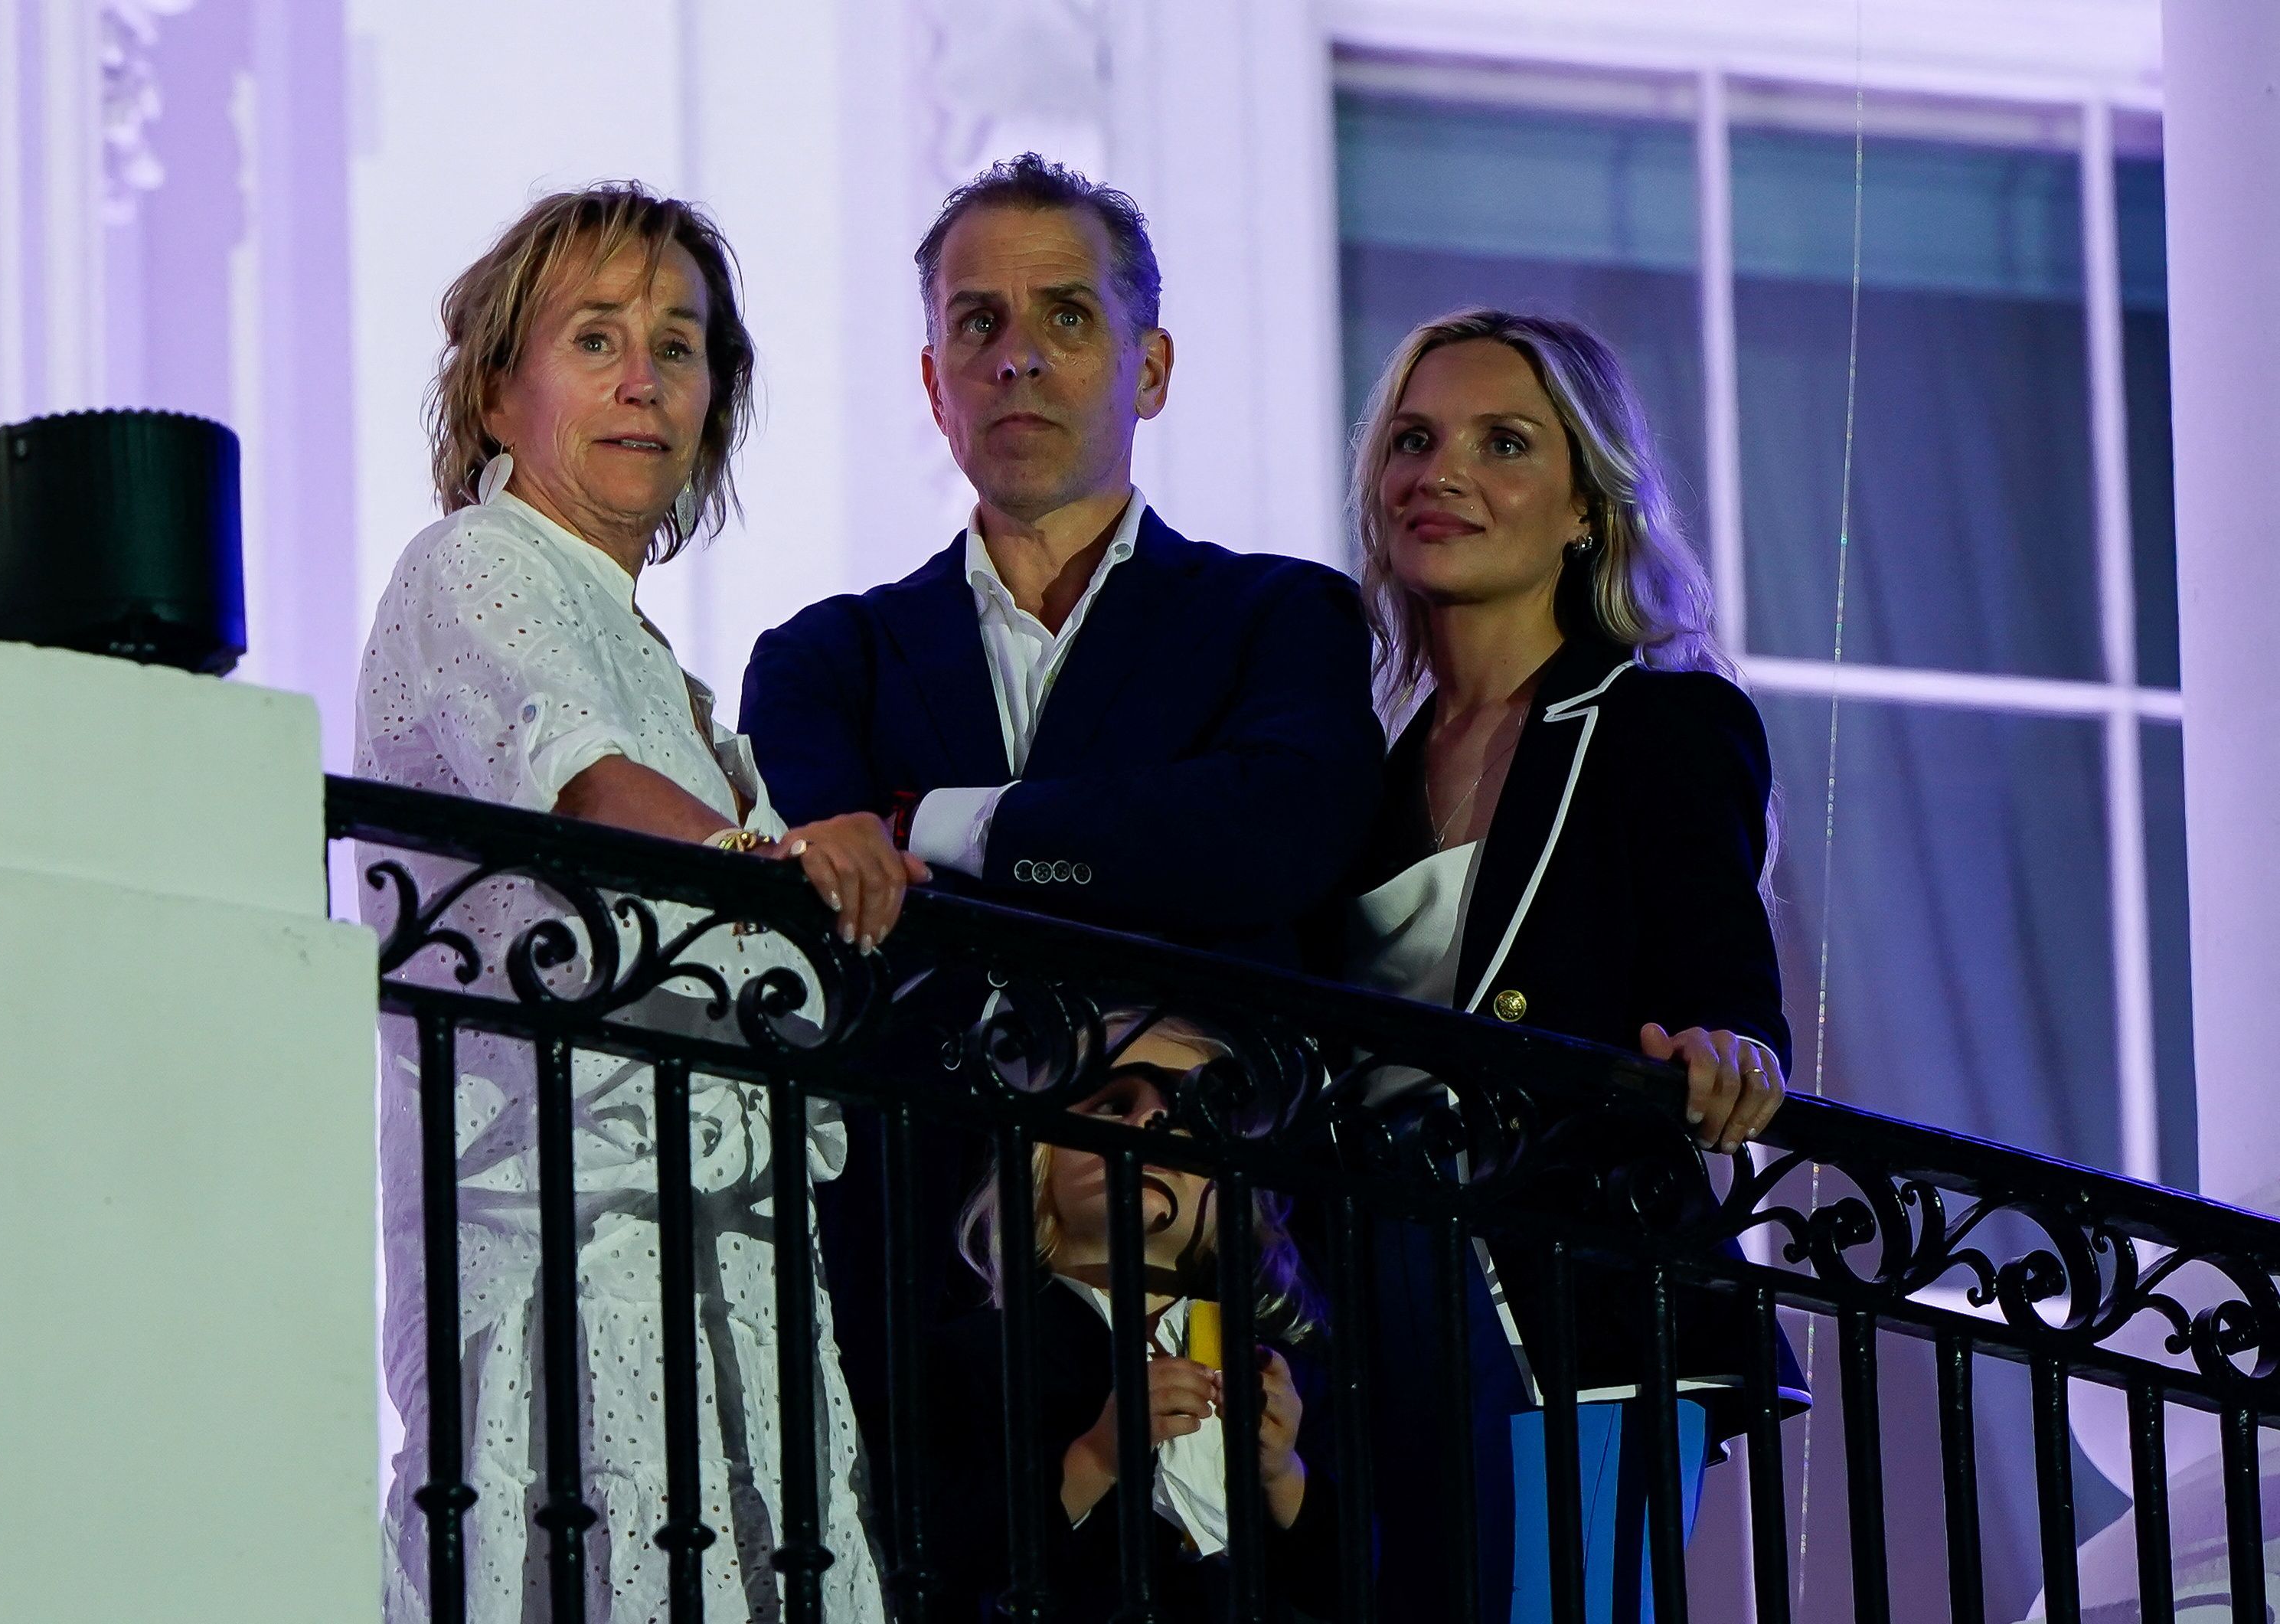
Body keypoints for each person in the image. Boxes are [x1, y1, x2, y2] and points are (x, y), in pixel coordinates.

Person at [354, 184, 921, 1624]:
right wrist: (788, 866)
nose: (643, 381)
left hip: (706, 1255)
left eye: (678, 348)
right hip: (570, 1248)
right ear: (495, 392)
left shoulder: (659, 658)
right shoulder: (474, 564)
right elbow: (591, 797)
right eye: (595, 339)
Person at [1336, 307, 1803, 1622]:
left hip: (1578, 1310)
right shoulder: (1353, 774)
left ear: (1586, 507)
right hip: (1372, 1304)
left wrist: (1726, 1046)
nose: (1443, 473)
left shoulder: (1660, 720)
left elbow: (1724, 983)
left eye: (1504, 443)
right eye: (1413, 441)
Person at [737, 152, 1383, 970]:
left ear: (1149, 372)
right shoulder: (822, 662)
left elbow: (1270, 849)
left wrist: (922, 824)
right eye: (979, 322)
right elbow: (824, 934)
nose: (1018, 359)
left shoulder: (1281, 618)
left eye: (1067, 317)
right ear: (937, 390)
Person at [923, 1015, 1342, 1623]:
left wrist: (1284, 1473)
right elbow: (951, 1556)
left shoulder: (1282, 1373)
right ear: (1038, 1168)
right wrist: (1096, 1458)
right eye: (1115, 1102)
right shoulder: (977, 1358)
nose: (1153, 1122)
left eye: (1193, 1110)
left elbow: (1350, 1583)